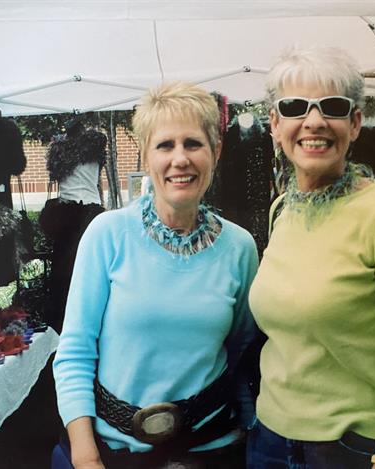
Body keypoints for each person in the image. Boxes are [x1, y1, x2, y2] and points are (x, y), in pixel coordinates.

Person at [247, 46, 375, 469]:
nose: (314, 121)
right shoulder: (283, 210)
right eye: (295, 107)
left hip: (355, 448)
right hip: (270, 441)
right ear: (275, 125)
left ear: (354, 124)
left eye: (332, 107)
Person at [53, 81, 259, 469]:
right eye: (165, 145)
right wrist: (86, 457)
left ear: (216, 151)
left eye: (193, 144)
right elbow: (75, 353)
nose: (180, 159)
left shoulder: (240, 247)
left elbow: (241, 352)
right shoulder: (107, 235)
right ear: (146, 155)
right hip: (113, 454)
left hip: (211, 450)